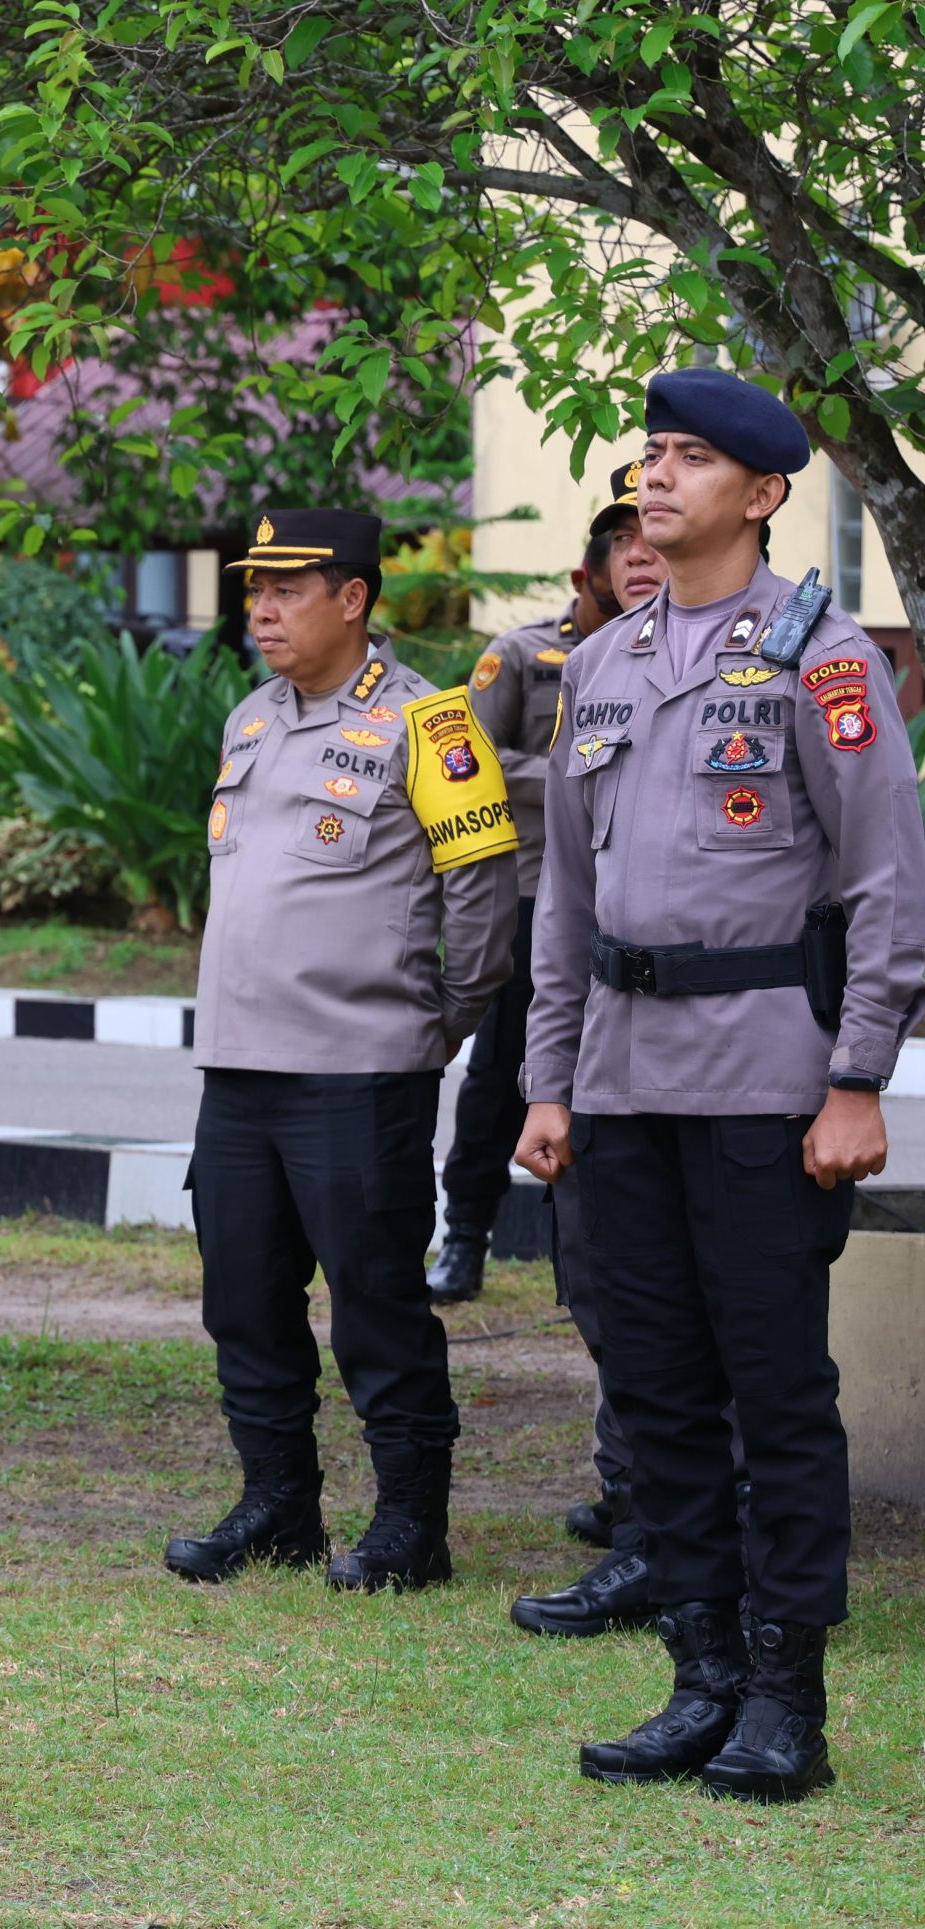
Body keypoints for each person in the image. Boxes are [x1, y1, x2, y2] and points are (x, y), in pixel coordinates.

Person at [515, 366, 925, 1800]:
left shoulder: (824, 660)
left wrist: (859, 1075)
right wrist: (546, 1077)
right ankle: (697, 1672)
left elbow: (887, 886)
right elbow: (565, 895)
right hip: (620, 1085)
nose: (658, 477)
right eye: (651, 455)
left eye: (691, 458)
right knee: (661, 1392)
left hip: (765, 1078)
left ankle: (785, 1696)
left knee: (774, 1396)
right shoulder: (608, 664)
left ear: (762, 494)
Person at [165, 508, 518, 1592]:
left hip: (359, 1069)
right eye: (252, 591)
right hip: (238, 1068)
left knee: (374, 1301)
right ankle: (278, 1506)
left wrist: (427, 1025)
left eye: (286, 590)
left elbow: (484, 907)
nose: (259, 610)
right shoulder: (250, 720)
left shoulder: (433, 725)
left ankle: (412, 1524)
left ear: (353, 598)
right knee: (244, 1297)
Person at [429, 457, 659, 1306]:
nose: (640, 557)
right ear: (586, 571)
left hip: (628, 903)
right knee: (504, 1076)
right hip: (532, 897)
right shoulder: (523, 657)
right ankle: (463, 1238)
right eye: (621, 543)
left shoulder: (677, 655)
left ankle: (589, 1256)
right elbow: (469, 763)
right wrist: (575, 773)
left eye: (651, 542)